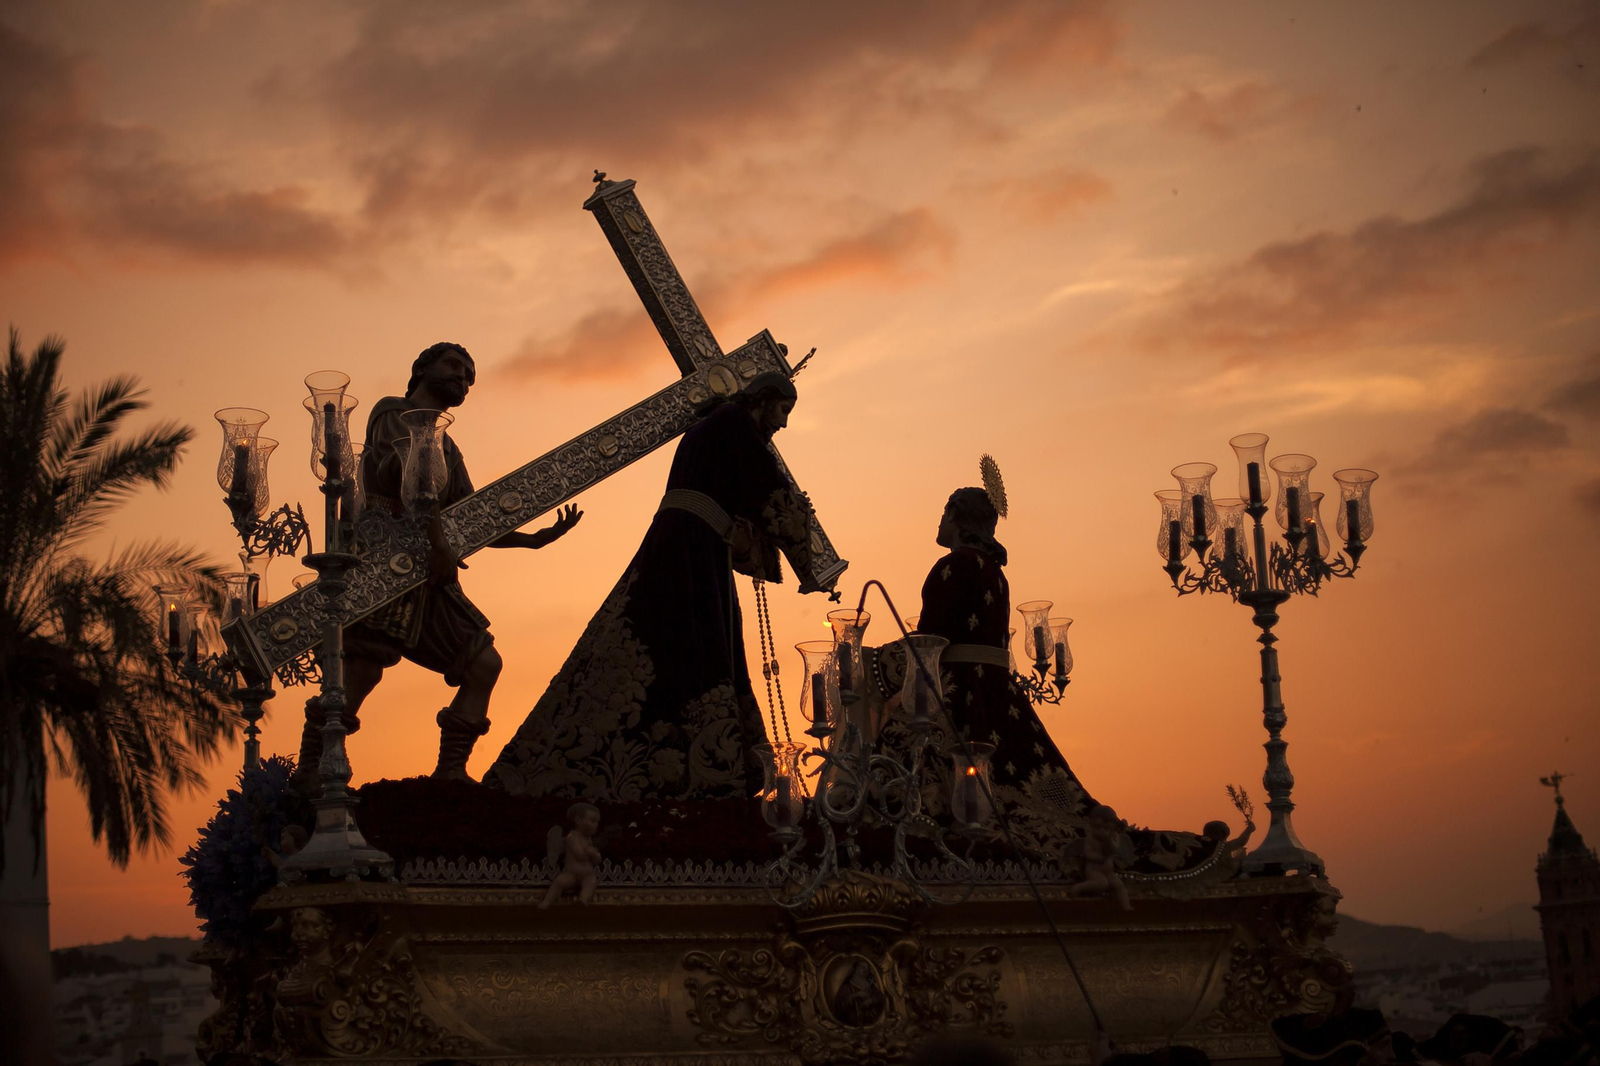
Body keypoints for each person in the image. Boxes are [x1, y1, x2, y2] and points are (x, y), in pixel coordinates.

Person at [485, 372, 822, 800]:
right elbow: (773, 493)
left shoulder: (709, 428)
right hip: (692, 550)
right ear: (764, 400)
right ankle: (699, 771)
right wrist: (811, 565)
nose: (784, 424)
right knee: (694, 643)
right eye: (783, 411)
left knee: (647, 633)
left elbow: (738, 498)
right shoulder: (734, 425)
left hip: (679, 541)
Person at [297, 342, 583, 782]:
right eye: (455, 366)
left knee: (483, 665)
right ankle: (310, 779)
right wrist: (436, 543)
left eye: (470, 377)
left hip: (429, 575)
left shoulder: (448, 447)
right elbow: (409, 478)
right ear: (422, 368)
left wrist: (531, 539)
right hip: (383, 568)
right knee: (359, 673)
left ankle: (449, 775)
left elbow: (468, 515)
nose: (463, 379)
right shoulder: (392, 412)